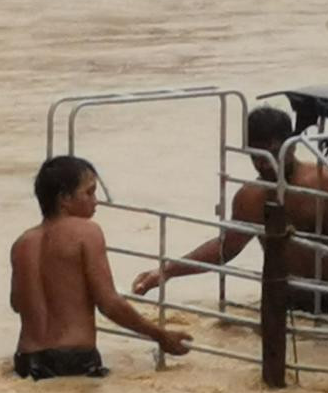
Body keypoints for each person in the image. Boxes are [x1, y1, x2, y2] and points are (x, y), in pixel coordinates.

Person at [131, 106, 328, 313]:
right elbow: (226, 247)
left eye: (269, 152)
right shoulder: (251, 197)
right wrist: (166, 271)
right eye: (254, 155)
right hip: (285, 301)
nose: (261, 163)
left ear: (291, 146)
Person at [10, 156, 192, 380]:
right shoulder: (87, 232)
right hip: (74, 360)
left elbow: (17, 304)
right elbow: (109, 304)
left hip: (26, 360)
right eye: (89, 193)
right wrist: (160, 336)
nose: (96, 201)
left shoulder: (22, 244)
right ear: (64, 199)